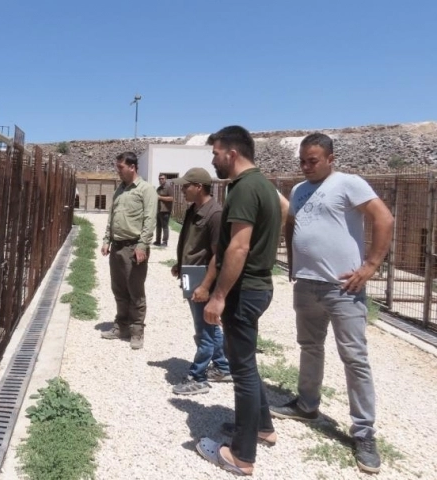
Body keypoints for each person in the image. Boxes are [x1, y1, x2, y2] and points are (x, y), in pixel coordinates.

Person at [270, 133, 394, 474]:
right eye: (303, 161)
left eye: (314, 160)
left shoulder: (348, 184)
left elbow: (384, 219)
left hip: (343, 288)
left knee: (354, 358)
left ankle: (364, 432)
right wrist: (293, 261)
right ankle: (307, 404)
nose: (307, 166)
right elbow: (292, 224)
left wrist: (370, 265)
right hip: (307, 285)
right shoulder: (298, 190)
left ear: (330, 158)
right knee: (309, 347)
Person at [194, 126, 280, 476]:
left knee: (242, 372)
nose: (213, 159)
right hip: (258, 287)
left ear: (231, 153)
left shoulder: (244, 189)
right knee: (245, 361)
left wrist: (218, 296)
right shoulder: (265, 186)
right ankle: (263, 428)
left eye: (215, 153)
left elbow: (239, 247)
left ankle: (242, 456)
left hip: (245, 291)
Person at [169, 167, 232, 395]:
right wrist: (180, 262)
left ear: (199, 187)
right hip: (191, 274)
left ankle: (198, 377)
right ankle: (223, 367)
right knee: (209, 326)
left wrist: (206, 286)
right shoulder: (193, 209)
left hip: (203, 277)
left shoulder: (214, 214)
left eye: (186, 186)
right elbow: (190, 242)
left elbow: (218, 254)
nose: (183, 189)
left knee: (203, 329)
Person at [100, 151, 158, 350]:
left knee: (135, 291)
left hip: (134, 248)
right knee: (118, 289)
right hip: (116, 247)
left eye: (121, 167)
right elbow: (112, 217)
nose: (118, 171)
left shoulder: (146, 190)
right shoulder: (120, 190)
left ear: (132, 167)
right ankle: (121, 326)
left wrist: (142, 245)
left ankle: (136, 331)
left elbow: (150, 220)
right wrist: (106, 239)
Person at [154, 174, 174, 246]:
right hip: (159, 210)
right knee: (158, 226)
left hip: (166, 210)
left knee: (165, 227)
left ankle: (165, 242)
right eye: (159, 179)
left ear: (165, 179)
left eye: (162, 178)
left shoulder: (169, 187)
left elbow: (171, 198)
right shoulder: (158, 188)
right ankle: (158, 241)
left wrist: (160, 198)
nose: (161, 180)